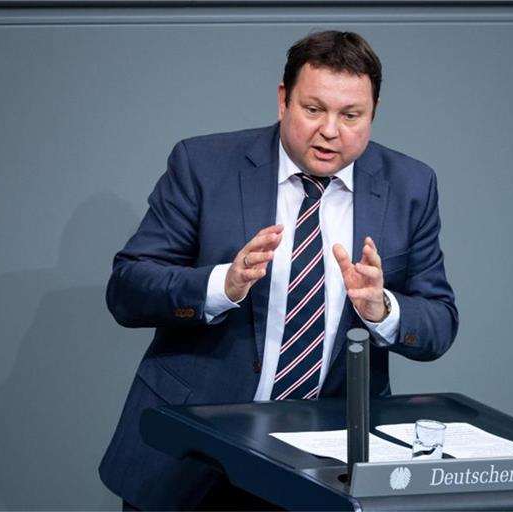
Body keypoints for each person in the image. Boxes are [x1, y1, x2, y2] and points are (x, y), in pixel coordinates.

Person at [100, 30, 459, 510]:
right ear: (283, 100)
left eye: (351, 116)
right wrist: (220, 285)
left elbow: (439, 322)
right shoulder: (205, 165)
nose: (330, 130)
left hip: (321, 465)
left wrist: (383, 309)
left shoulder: (411, 186)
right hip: (194, 450)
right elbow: (127, 289)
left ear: (373, 113)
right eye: (313, 110)